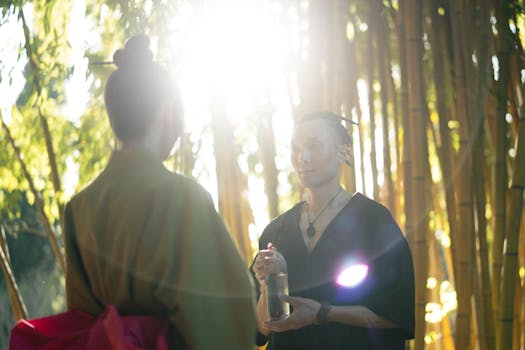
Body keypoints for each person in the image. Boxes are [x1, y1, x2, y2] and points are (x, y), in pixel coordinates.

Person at [60, 35, 256, 349]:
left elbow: (80, 323)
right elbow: (224, 320)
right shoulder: (183, 198)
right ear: (166, 111)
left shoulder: (80, 207)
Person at [251, 112, 415, 349]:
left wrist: (323, 313)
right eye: (295, 148)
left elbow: (396, 316)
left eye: (313, 146)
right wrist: (266, 287)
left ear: (343, 152)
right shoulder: (275, 231)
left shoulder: (374, 221)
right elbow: (261, 329)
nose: (302, 158)